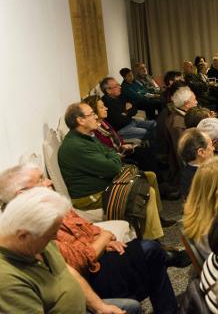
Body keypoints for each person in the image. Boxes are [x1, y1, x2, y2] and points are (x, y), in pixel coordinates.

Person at [0, 163, 182, 313]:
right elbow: (78, 262)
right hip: (93, 269)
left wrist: (100, 306)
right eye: (40, 179)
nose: (48, 181)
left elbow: (68, 268)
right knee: (149, 254)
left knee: (148, 256)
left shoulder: (41, 230)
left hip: (94, 271)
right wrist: (102, 239)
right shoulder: (13, 271)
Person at [0, 187, 142, 314]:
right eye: (51, 234)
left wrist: (100, 307)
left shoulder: (37, 242)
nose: (55, 238)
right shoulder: (7, 280)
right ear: (23, 235)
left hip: (82, 306)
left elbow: (68, 271)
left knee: (132, 306)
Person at [58, 102, 172, 240]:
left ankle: (156, 220)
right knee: (147, 192)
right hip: (91, 197)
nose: (95, 117)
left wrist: (112, 156)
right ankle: (154, 240)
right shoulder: (76, 146)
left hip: (105, 184)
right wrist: (114, 156)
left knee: (150, 176)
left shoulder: (87, 136)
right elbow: (113, 167)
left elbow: (109, 152)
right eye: (91, 114)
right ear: (80, 120)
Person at [177, 128, 214, 198]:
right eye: (211, 145)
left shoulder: (186, 172)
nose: (213, 148)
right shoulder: (208, 176)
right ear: (201, 152)